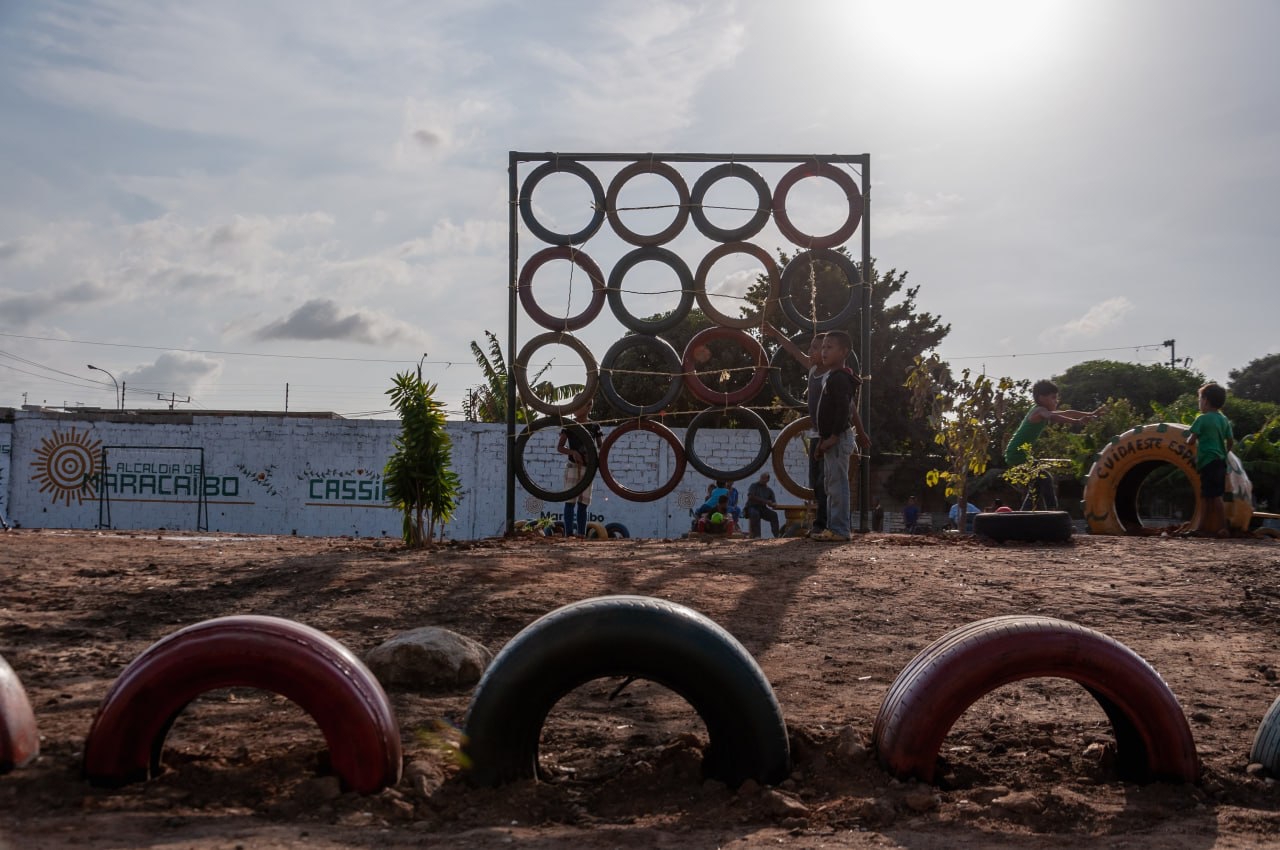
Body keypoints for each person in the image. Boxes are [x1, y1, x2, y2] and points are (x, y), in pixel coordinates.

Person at [763, 323, 831, 535]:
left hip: (829, 435)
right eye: (810, 348)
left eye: (814, 348)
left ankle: (827, 524)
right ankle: (819, 523)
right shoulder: (812, 370)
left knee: (825, 482)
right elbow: (793, 350)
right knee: (815, 482)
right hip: (816, 434)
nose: (809, 352)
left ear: (827, 352)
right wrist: (776, 333)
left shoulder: (833, 375)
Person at [1003, 379, 1103, 510]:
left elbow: (1067, 412)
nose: (1056, 401)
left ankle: (1025, 514)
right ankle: (1052, 511)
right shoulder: (1039, 411)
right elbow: (1052, 417)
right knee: (1046, 478)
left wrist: (1090, 414)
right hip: (1016, 454)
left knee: (1037, 487)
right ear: (1041, 398)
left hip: (1021, 454)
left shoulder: (1040, 410)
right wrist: (1077, 422)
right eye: (1053, 398)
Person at [810, 331, 870, 542]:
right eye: (823, 347)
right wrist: (822, 441)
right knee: (830, 485)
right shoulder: (831, 376)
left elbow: (844, 408)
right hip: (828, 439)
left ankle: (840, 530)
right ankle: (833, 527)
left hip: (837, 439)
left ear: (844, 352)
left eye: (830, 347)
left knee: (838, 485)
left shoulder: (841, 378)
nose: (824, 351)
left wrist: (834, 436)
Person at [1185, 382, 1235, 538]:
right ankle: (1222, 528)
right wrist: (1224, 452)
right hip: (1220, 461)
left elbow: (1191, 441)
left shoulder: (1202, 419)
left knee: (1206, 496)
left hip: (1207, 462)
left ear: (1205, 400)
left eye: (1200, 399)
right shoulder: (1223, 420)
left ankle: (1201, 528)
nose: (1199, 403)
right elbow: (1231, 441)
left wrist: (1188, 442)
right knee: (1217, 496)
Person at [555, 407, 602, 537]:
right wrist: (573, 452)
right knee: (570, 500)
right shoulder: (569, 424)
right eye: (575, 405)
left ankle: (581, 534)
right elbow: (560, 447)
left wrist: (593, 455)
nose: (576, 408)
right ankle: (568, 534)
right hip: (572, 466)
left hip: (588, 468)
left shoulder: (594, 426)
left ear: (588, 407)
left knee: (583, 503)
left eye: (580, 405)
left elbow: (601, 447)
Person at [745, 472, 782, 538]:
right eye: (761, 478)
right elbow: (751, 496)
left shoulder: (769, 490)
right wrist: (765, 501)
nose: (761, 479)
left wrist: (773, 504)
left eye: (764, 478)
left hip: (762, 508)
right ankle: (757, 535)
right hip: (752, 507)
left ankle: (777, 535)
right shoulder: (754, 486)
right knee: (755, 514)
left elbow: (773, 502)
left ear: (767, 480)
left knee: (774, 515)